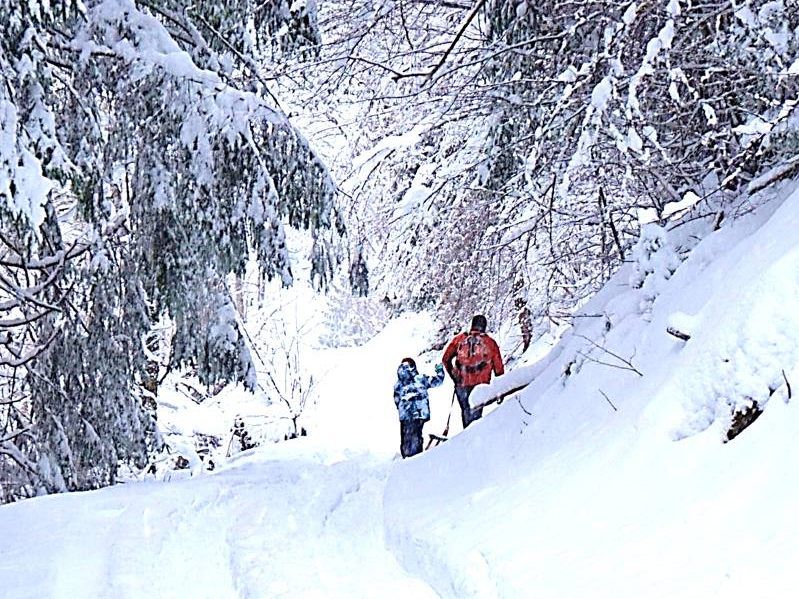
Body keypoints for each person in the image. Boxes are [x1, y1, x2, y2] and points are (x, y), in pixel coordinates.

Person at [442, 314, 504, 428]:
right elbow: (498, 368)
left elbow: (445, 359)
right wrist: (501, 389)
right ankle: (474, 438)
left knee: (466, 412)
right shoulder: (490, 343)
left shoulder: (459, 339)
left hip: (462, 384)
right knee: (476, 415)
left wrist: (453, 375)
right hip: (480, 385)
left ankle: (468, 435)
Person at [393, 358, 445, 458]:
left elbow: (396, 400)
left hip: (405, 416)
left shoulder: (398, 385)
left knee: (406, 438)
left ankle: (406, 458)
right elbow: (438, 381)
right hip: (420, 413)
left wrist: (404, 410)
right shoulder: (421, 379)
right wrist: (439, 370)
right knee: (416, 436)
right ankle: (416, 459)